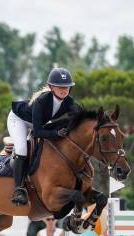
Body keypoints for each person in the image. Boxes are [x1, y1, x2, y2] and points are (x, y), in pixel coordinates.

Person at [9, 67, 80, 205]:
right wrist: (56, 133)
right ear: (51, 87)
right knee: (22, 149)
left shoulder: (68, 102)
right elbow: (37, 132)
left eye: (67, 87)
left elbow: (79, 116)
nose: (64, 89)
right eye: (60, 86)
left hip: (39, 123)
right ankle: (18, 189)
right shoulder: (41, 101)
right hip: (19, 120)